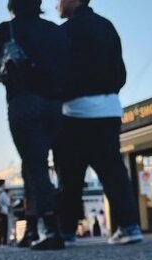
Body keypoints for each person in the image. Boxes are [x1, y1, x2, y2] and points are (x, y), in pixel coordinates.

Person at [56, 0, 142, 245]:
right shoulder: (106, 26)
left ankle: (67, 231)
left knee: (70, 174)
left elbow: (57, 72)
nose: (56, 5)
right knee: (113, 170)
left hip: (74, 110)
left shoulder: (64, 32)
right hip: (109, 108)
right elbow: (120, 71)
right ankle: (130, 226)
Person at [0, 0, 66, 250]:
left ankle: (51, 229)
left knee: (35, 164)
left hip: (24, 103)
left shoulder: (5, 30)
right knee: (34, 163)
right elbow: (68, 67)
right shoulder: (54, 31)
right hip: (56, 105)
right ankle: (32, 228)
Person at [0, 180, 11, 246]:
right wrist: (9, 197)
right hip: (4, 211)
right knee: (5, 228)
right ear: (3, 184)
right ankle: (4, 242)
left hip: (0, 211)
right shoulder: (3, 193)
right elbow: (7, 203)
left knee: (1, 228)